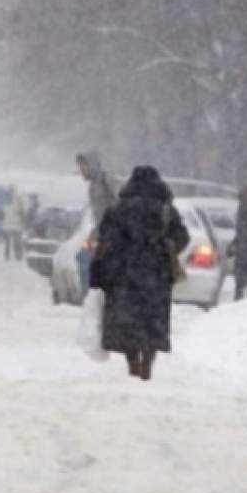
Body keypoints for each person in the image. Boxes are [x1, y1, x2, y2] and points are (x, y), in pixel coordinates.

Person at [90, 166, 189, 381]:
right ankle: (148, 364)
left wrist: (99, 274)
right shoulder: (165, 210)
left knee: (128, 322)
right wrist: (165, 247)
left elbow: (105, 244)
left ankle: (133, 362)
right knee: (151, 322)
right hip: (156, 275)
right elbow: (182, 237)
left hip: (124, 276)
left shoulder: (117, 210)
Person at [76, 151, 119, 291]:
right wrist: (94, 232)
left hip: (112, 233)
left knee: (89, 262)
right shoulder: (92, 186)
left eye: (83, 166)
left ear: (92, 165)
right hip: (100, 232)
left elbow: (120, 202)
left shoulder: (107, 180)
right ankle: (91, 295)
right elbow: (98, 214)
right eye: (80, 167)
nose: (81, 170)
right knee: (83, 258)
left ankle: (94, 295)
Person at [1, 186, 25, 262]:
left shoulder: (3, 199)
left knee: (8, 243)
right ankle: (18, 257)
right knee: (16, 243)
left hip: (7, 225)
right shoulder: (18, 199)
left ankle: (7, 257)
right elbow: (22, 212)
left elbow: (0, 212)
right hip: (15, 225)